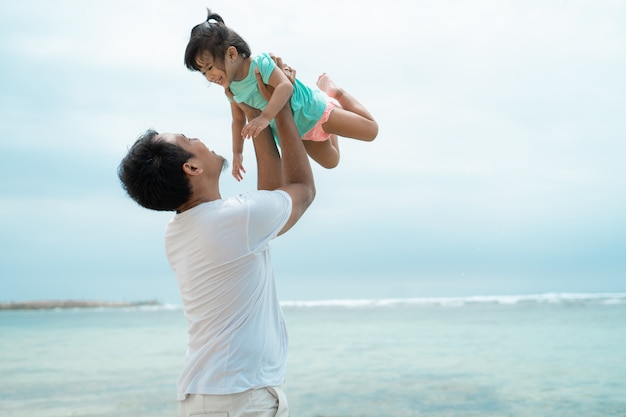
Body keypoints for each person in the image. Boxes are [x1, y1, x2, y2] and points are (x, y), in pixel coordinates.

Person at [117, 60, 315, 417]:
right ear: (191, 168)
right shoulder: (235, 221)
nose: (201, 140)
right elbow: (301, 190)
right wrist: (280, 108)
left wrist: (256, 108)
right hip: (240, 400)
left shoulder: (179, 232)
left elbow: (268, 200)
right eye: (191, 141)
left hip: (205, 397)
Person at [184, 9, 379, 181]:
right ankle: (331, 115)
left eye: (210, 68)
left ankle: (335, 93)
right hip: (300, 133)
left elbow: (285, 86)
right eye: (203, 72)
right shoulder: (231, 90)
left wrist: (265, 117)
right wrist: (238, 153)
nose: (209, 77)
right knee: (332, 162)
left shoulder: (260, 64)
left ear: (232, 54)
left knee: (371, 131)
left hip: (313, 110)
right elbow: (237, 120)